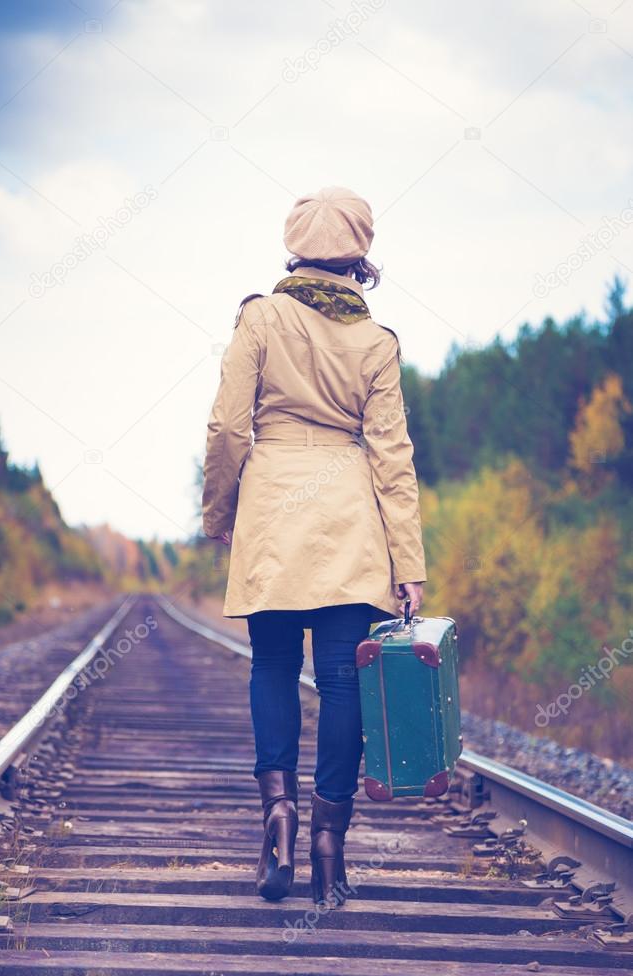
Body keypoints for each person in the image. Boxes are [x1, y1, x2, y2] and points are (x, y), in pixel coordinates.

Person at [201, 185, 427, 908]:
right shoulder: (377, 343)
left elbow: (228, 429)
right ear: (360, 257)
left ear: (295, 249)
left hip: (272, 507)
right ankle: (330, 845)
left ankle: (278, 816)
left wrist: (220, 511)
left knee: (271, 663)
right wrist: (408, 563)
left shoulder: (259, 319)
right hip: (348, 517)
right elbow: (393, 456)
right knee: (340, 681)